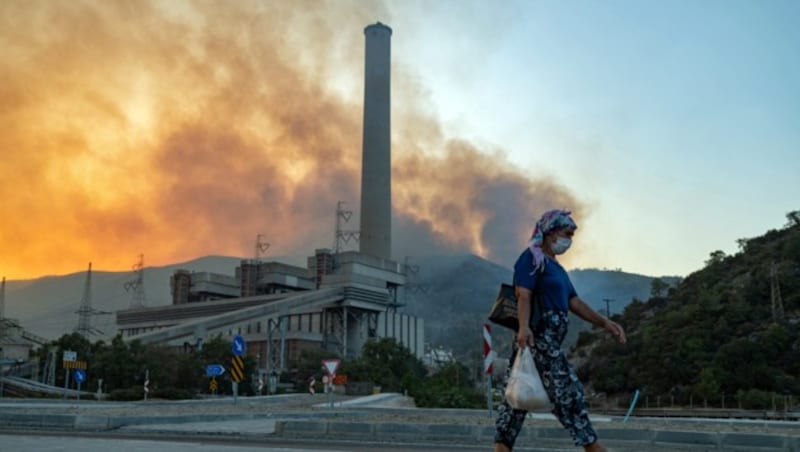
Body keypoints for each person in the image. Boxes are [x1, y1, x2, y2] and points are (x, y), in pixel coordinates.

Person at [494, 209, 626, 452]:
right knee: (567, 393)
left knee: (517, 399)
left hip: (548, 340)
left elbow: (574, 302)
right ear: (550, 232)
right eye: (567, 233)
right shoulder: (531, 258)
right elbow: (523, 294)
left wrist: (604, 323)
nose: (570, 240)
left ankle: (501, 448)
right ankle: (593, 447)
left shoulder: (555, 267)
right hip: (538, 339)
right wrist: (523, 329)